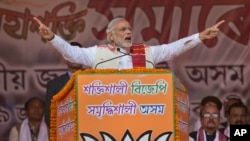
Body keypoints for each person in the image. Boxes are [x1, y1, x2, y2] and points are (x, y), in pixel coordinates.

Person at [33, 17, 225, 70]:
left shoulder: (147, 52)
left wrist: (200, 36)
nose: (129, 32)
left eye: (130, 29)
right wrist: (51, 37)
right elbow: (71, 54)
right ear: (110, 36)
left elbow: (172, 49)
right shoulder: (96, 53)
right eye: (123, 29)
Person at [45, 42, 83, 127]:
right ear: (65, 58)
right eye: (71, 54)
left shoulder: (93, 81)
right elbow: (49, 117)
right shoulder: (54, 85)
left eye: (78, 54)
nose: (74, 57)